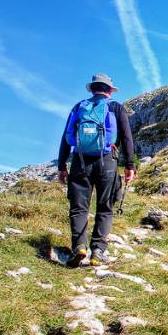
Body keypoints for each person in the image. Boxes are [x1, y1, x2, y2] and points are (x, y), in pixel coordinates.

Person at [57, 74, 136, 268]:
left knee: (78, 207)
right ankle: (98, 251)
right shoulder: (116, 107)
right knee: (105, 207)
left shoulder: (79, 107)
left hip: (80, 161)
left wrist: (61, 166)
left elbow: (65, 138)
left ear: (92, 89)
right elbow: (127, 139)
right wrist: (130, 166)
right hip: (107, 162)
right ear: (109, 91)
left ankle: (79, 247)